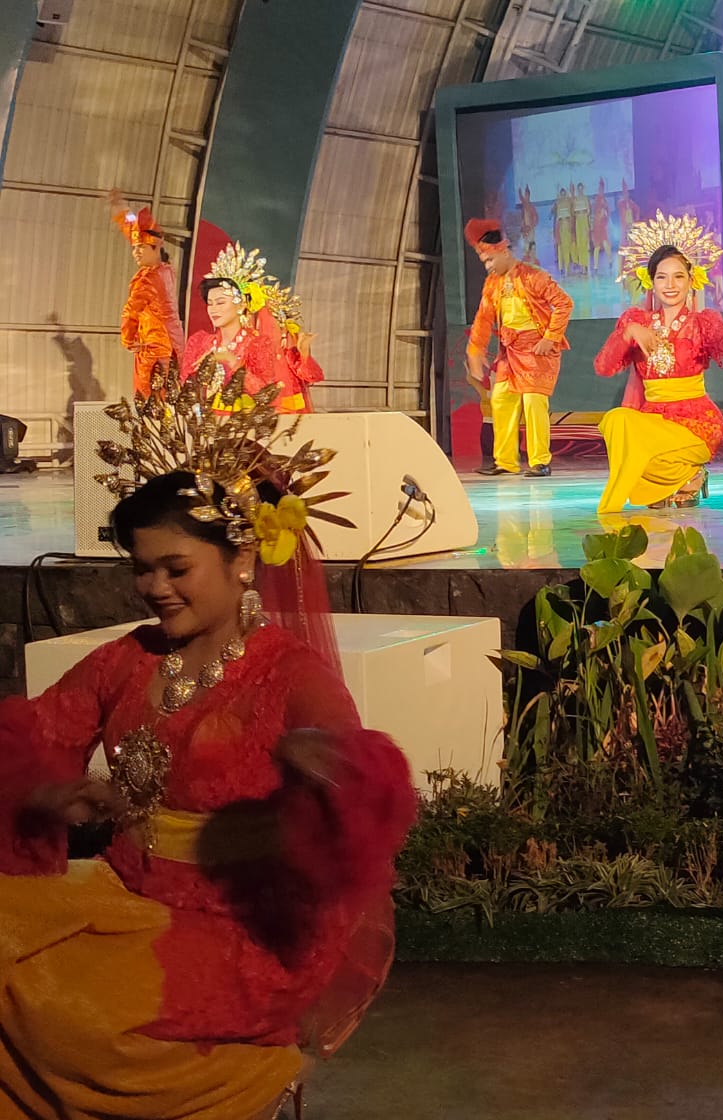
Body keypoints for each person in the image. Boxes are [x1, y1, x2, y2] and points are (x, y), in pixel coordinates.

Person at [0, 362, 416, 1120]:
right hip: (122, 892)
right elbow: (33, 736)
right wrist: (49, 793)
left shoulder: (289, 674)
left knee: (98, 1027)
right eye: (142, 570)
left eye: (175, 567)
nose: (155, 587)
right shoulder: (130, 657)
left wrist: (322, 770)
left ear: (242, 561)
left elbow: (363, 789)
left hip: (233, 923)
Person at [595, 212, 723, 512]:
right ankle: (685, 479)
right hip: (653, 419)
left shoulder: (703, 322)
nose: (670, 284)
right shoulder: (637, 320)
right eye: (662, 276)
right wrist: (628, 333)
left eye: (678, 276)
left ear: (691, 280)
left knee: (637, 452)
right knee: (617, 420)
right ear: (651, 282)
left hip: (694, 423)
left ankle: (688, 477)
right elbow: (603, 366)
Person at [464, 217, 575, 478]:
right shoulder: (492, 284)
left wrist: (550, 337)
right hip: (510, 352)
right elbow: (483, 318)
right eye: (485, 263)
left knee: (533, 401)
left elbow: (564, 303)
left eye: (490, 260)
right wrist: (475, 351)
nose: (488, 267)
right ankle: (505, 461)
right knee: (501, 399)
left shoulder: (534, 276)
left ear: (503, 251)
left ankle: (540, 461)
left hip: (537, 350)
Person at [181, 243, 322, 414]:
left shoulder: (258, 344)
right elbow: (183, 387)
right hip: (204, 427)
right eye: (210, 303)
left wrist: (230, 361)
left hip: (246, 430)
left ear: (241, 305)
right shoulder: (199, 342)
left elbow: (265, 393)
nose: (213, 309)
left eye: (220, 303)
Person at [109, 191, 183, 401]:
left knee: (151, 400)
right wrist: (124, 210)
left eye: (141, 248)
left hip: (154, 350)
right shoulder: (166, 270)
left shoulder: (149, 280)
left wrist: (128, 338)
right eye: (134, 249)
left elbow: (131, 311)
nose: (136, 253)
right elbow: (134, 228)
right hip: (172, 344)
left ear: (155, 248)